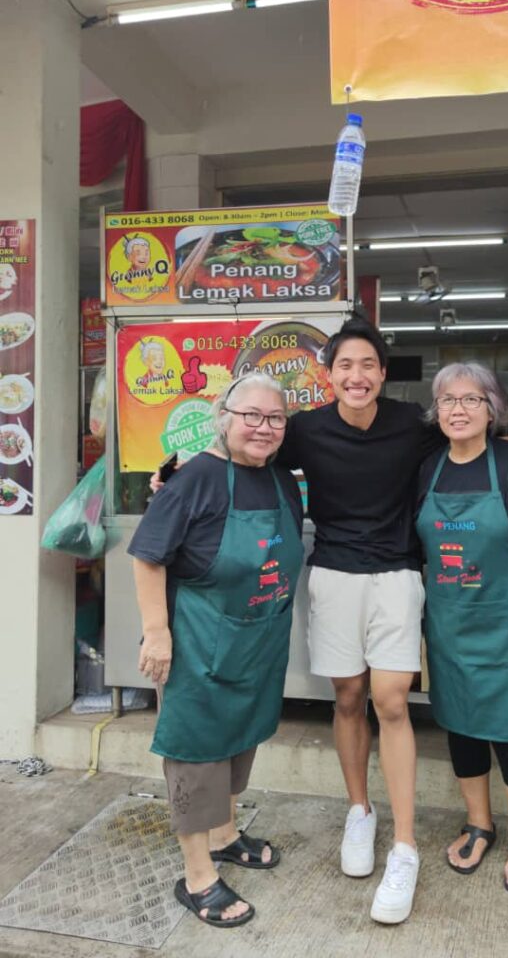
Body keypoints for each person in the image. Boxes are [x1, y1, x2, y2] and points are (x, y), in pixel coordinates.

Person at [274, 315, 445, 924]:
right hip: (333, 573)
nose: (356, 375)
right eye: (345, 365)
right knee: (348, 697)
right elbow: (249, 447)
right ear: (328, 374)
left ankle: (405, 846)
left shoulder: (413, 424)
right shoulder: (306, 429)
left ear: (383, 372)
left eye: (367, 364)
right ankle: (359, 812)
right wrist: (178, 473)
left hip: (397, 574)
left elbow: (468, 436)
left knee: (391, 700)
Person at [131, 373, 304, 929]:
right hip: (199, 642)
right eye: (251, 416)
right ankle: (197, 875)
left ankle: (225, 836)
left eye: (274, 418)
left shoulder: (281, 480)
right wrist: (156, 632)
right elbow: (148, 556)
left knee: (240, 739)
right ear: (224, 418)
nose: (263, 427)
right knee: (197, 754)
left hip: (257, 639)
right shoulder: (194, 480)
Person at [416, 362, 508, 892]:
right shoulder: (428, 469)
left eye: (471, 399)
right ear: (437, 411)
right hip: (450, 627)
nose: (458, 409)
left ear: (493, 408)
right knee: (461, 727)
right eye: (448, 400)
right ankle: (479, 824)